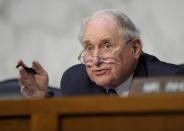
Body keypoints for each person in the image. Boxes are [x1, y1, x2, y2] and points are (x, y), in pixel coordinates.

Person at [17, 9, 184, 98]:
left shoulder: (170, 82)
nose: (95, 60)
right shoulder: (75, 82)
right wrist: (42, 100)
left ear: (135, 49)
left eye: (107, 46)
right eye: (89, 48)